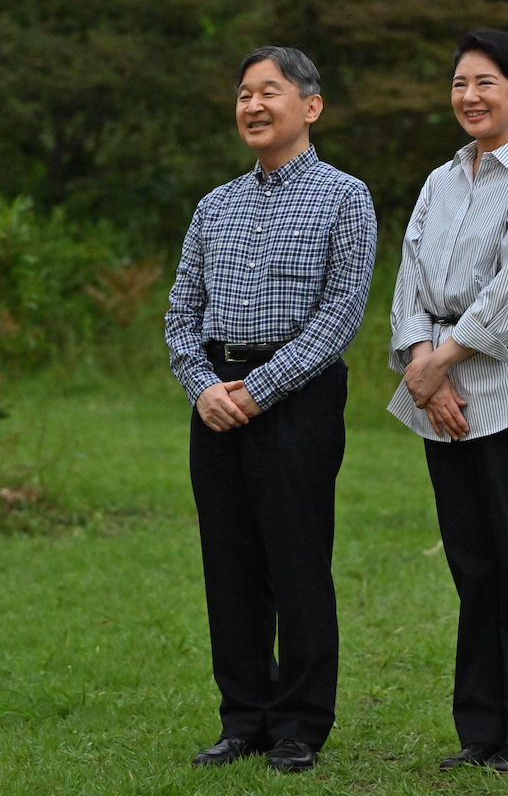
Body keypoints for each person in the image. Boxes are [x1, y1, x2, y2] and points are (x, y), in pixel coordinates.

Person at [165, 45, 377, 772]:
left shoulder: (344, 197)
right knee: (228, 564)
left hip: (298, 402)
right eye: (243, 94)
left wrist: (261, 388)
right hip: (217, 400)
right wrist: (204, 388)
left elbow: (339, 314)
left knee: (295, 562)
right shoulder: (213, 206)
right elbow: (180, 313)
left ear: (309, 106)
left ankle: (299, 724)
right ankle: (243, 719)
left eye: (269, 92)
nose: (251, 106)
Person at [388, 28, 508, 774]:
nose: (468, 97)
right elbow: (407, 279)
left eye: (485, 84)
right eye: (460, 83)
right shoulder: (440, 181)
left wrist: (441, 363)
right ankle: (481, 731)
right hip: (442, 388)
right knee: (472, 566)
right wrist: (418, 366)